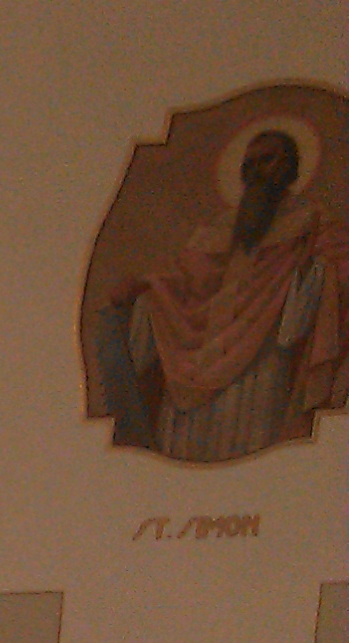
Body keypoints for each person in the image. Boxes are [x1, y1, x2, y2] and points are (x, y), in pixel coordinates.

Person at [93, 127, 349, 462]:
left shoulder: (311, 222)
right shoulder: (220, 229)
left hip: (263, 359)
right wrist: (145, 287)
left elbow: (337, 270)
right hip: (200, 360)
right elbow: (186, 281)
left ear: (290, 167)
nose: (256, 171)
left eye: (267, 160)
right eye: (249, 164)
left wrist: (312, 271)